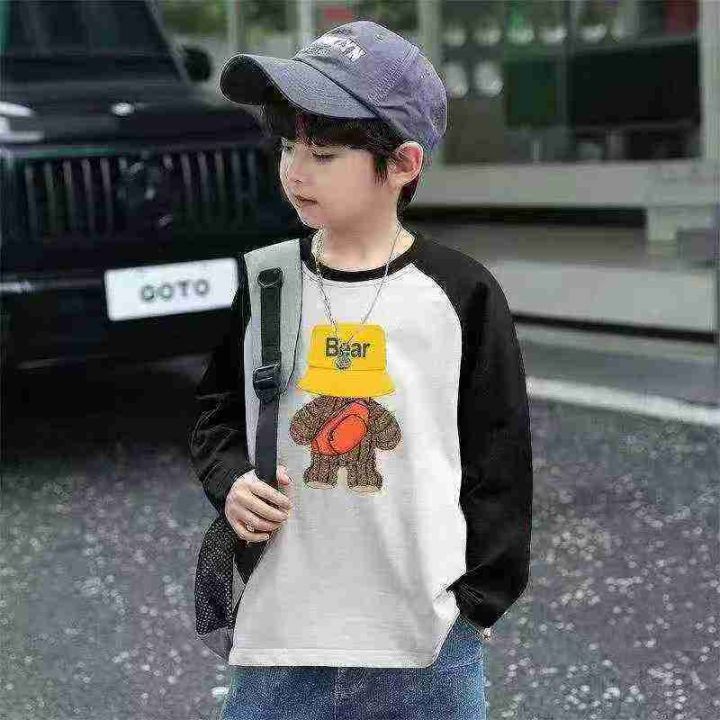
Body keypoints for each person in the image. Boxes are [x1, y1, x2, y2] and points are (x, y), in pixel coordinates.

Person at [188, 19, 533, 720]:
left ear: (402, 163)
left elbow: (499, 454)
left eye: (322, 152)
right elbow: (216, 411)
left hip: (424, 646)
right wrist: (232, 483)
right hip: (280, 640)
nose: (294, 170)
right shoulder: (267, 279)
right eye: (287, 146)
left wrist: (479, 601)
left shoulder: (460, 293)